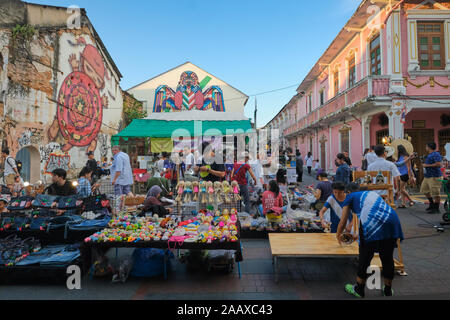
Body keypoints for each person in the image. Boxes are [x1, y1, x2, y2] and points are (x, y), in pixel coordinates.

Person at [337, 183, 404, 298]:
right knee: (387, 257)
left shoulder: (350, 197)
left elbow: (343, 221)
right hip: (392, 220)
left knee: (365, 257)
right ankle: (388, 290)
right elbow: (372, 214)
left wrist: (338, 235)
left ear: (348, 192)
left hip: (371, 222)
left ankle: (359, 289)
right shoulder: (371, 194)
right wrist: (358, 235)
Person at [421, 142, 443, 214]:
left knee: (436, 193)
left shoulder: (436, 154)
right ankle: (432, 204)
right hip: (427, 176)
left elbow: (439, 164)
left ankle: (436, 208)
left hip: (434, 176)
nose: (425, 147)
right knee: (424, 190)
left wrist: (427, 165)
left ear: (429, 147)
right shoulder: (429, 155)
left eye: (426, 146)